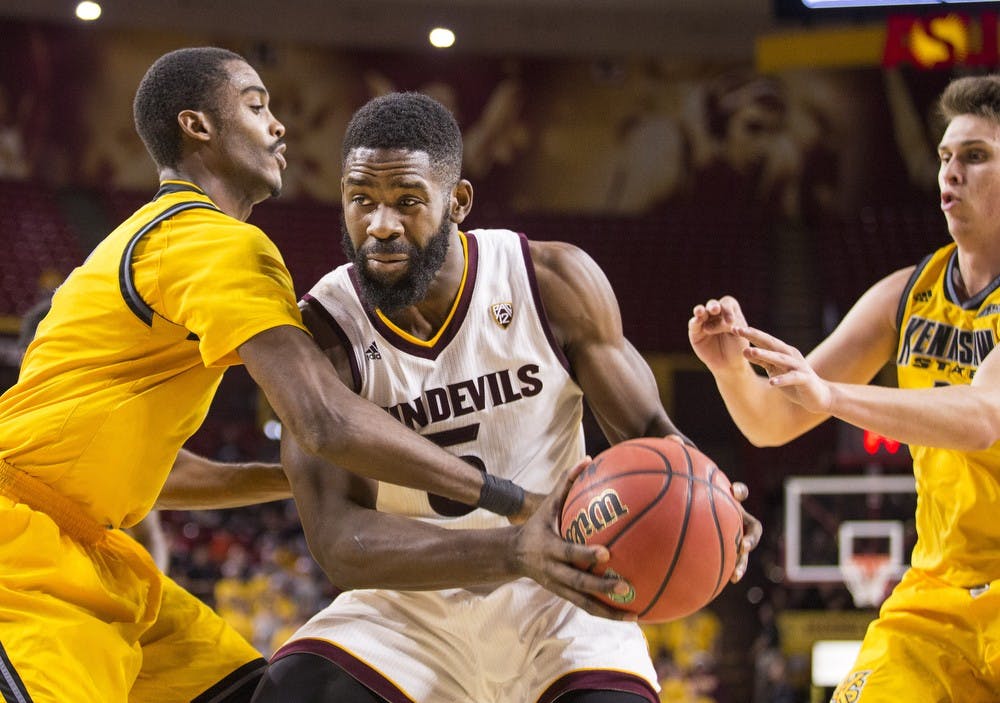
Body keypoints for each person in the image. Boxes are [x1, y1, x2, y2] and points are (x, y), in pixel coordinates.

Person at [0, 47, 546, 703]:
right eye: (257, 105)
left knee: (262, 693)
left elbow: (155, 472)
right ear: (198, 126)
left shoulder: (153, 239)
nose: (280, 125)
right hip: (21, 556)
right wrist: (509, 498)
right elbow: (322, 418)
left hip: (92, 549)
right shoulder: (216, 243)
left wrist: (286, 477)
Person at [251, 92, 761, 703]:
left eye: (407, 201)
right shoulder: (323, 333)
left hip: (564, 597)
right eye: (362, 200)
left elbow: (651, 432)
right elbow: (338, 544)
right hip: (408, 609)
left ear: (457, 202)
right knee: (293, 693)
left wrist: (711, 499)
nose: (380, 225)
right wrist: (514, 549)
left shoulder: (549, 282)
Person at [689, 74, 1000, 701]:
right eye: (944, 156)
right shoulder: (905, 295)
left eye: (975, 156)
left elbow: (982, 414)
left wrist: (832, 397)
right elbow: (772, 423)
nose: (951, 172)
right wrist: (729, 369)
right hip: (939, 594)